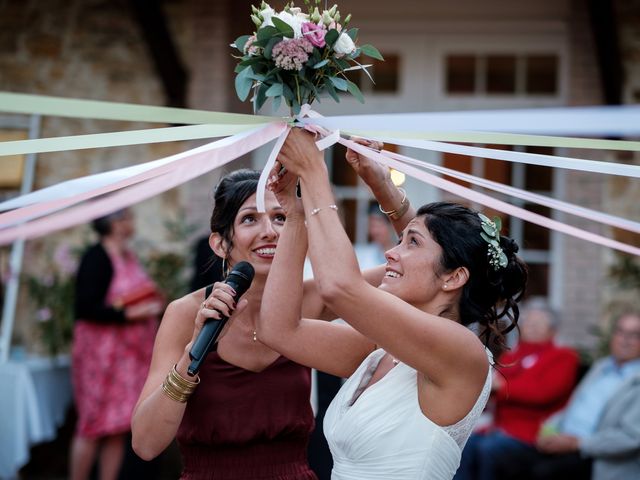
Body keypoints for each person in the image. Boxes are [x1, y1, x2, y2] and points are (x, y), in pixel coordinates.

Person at [252, 129, 528, 479]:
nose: (390, 253)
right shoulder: (379, 349)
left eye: (410, 242)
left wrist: (315, 171)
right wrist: (295, 213)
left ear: (455, 278)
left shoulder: (461, 351)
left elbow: (340, 287)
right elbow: (279, 329)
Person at [132, 169, 335, 479]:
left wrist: (387, 194)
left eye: (280, 218)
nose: (270, 231)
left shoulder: (312, 299)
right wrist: (193, 353)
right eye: (250, 219)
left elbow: (417, 284)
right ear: (220, 244)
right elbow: (146, 445)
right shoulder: (186, 314)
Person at [71, 209, 163, 480]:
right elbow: (85, 307)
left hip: (128, 360)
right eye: (128, 218)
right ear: (114, 223)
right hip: (101, 359)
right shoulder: (96, 257)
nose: (132, 223)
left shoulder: (128, 256)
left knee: (118, 427)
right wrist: (130, 314)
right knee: (92, 426)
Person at [497, 310, 640, 480]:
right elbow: (572, 407)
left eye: (634, 335)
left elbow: (632, 438)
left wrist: (578, 443)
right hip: (561, 440)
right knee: (502, 460)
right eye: (620, 331)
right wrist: (548, 432)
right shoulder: (602, 367)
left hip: (595, 456)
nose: (625, 340)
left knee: (526, 467)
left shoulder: (635, 379)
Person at [454, 297, 579, 480]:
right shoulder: (512, 355)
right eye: (528, 321)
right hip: (498, 428)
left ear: (552, 329)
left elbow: (542, 393)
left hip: (533, 434)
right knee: (463, 445)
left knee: (487, 450)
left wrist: (501, 386)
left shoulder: (564, 356)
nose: (531, 326)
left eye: (538, 323)